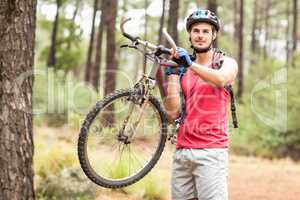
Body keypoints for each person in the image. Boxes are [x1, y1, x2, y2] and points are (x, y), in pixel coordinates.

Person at [163, 9, 238, 200]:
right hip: (182, 152)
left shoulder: (226, 63)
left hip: (211, 152)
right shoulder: (184, 69)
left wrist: (190, 65)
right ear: (190, 34)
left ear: (214, 35)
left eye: (206, 31)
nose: (200, 35)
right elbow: (173, 113)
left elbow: (221, 80)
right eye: (196, 31)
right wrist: (172, 75)